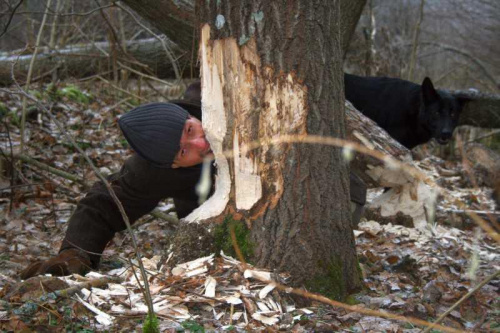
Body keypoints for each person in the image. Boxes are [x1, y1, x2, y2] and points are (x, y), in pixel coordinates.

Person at [20, 82, 366, 279]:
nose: (199, 145)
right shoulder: (154, 168)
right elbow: (105, 204)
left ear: (188, 114)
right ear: (169, 164)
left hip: (326, 199)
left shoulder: (232, 98)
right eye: (183, 151)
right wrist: (75, 254)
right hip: (212, 218)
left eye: (191, 130)